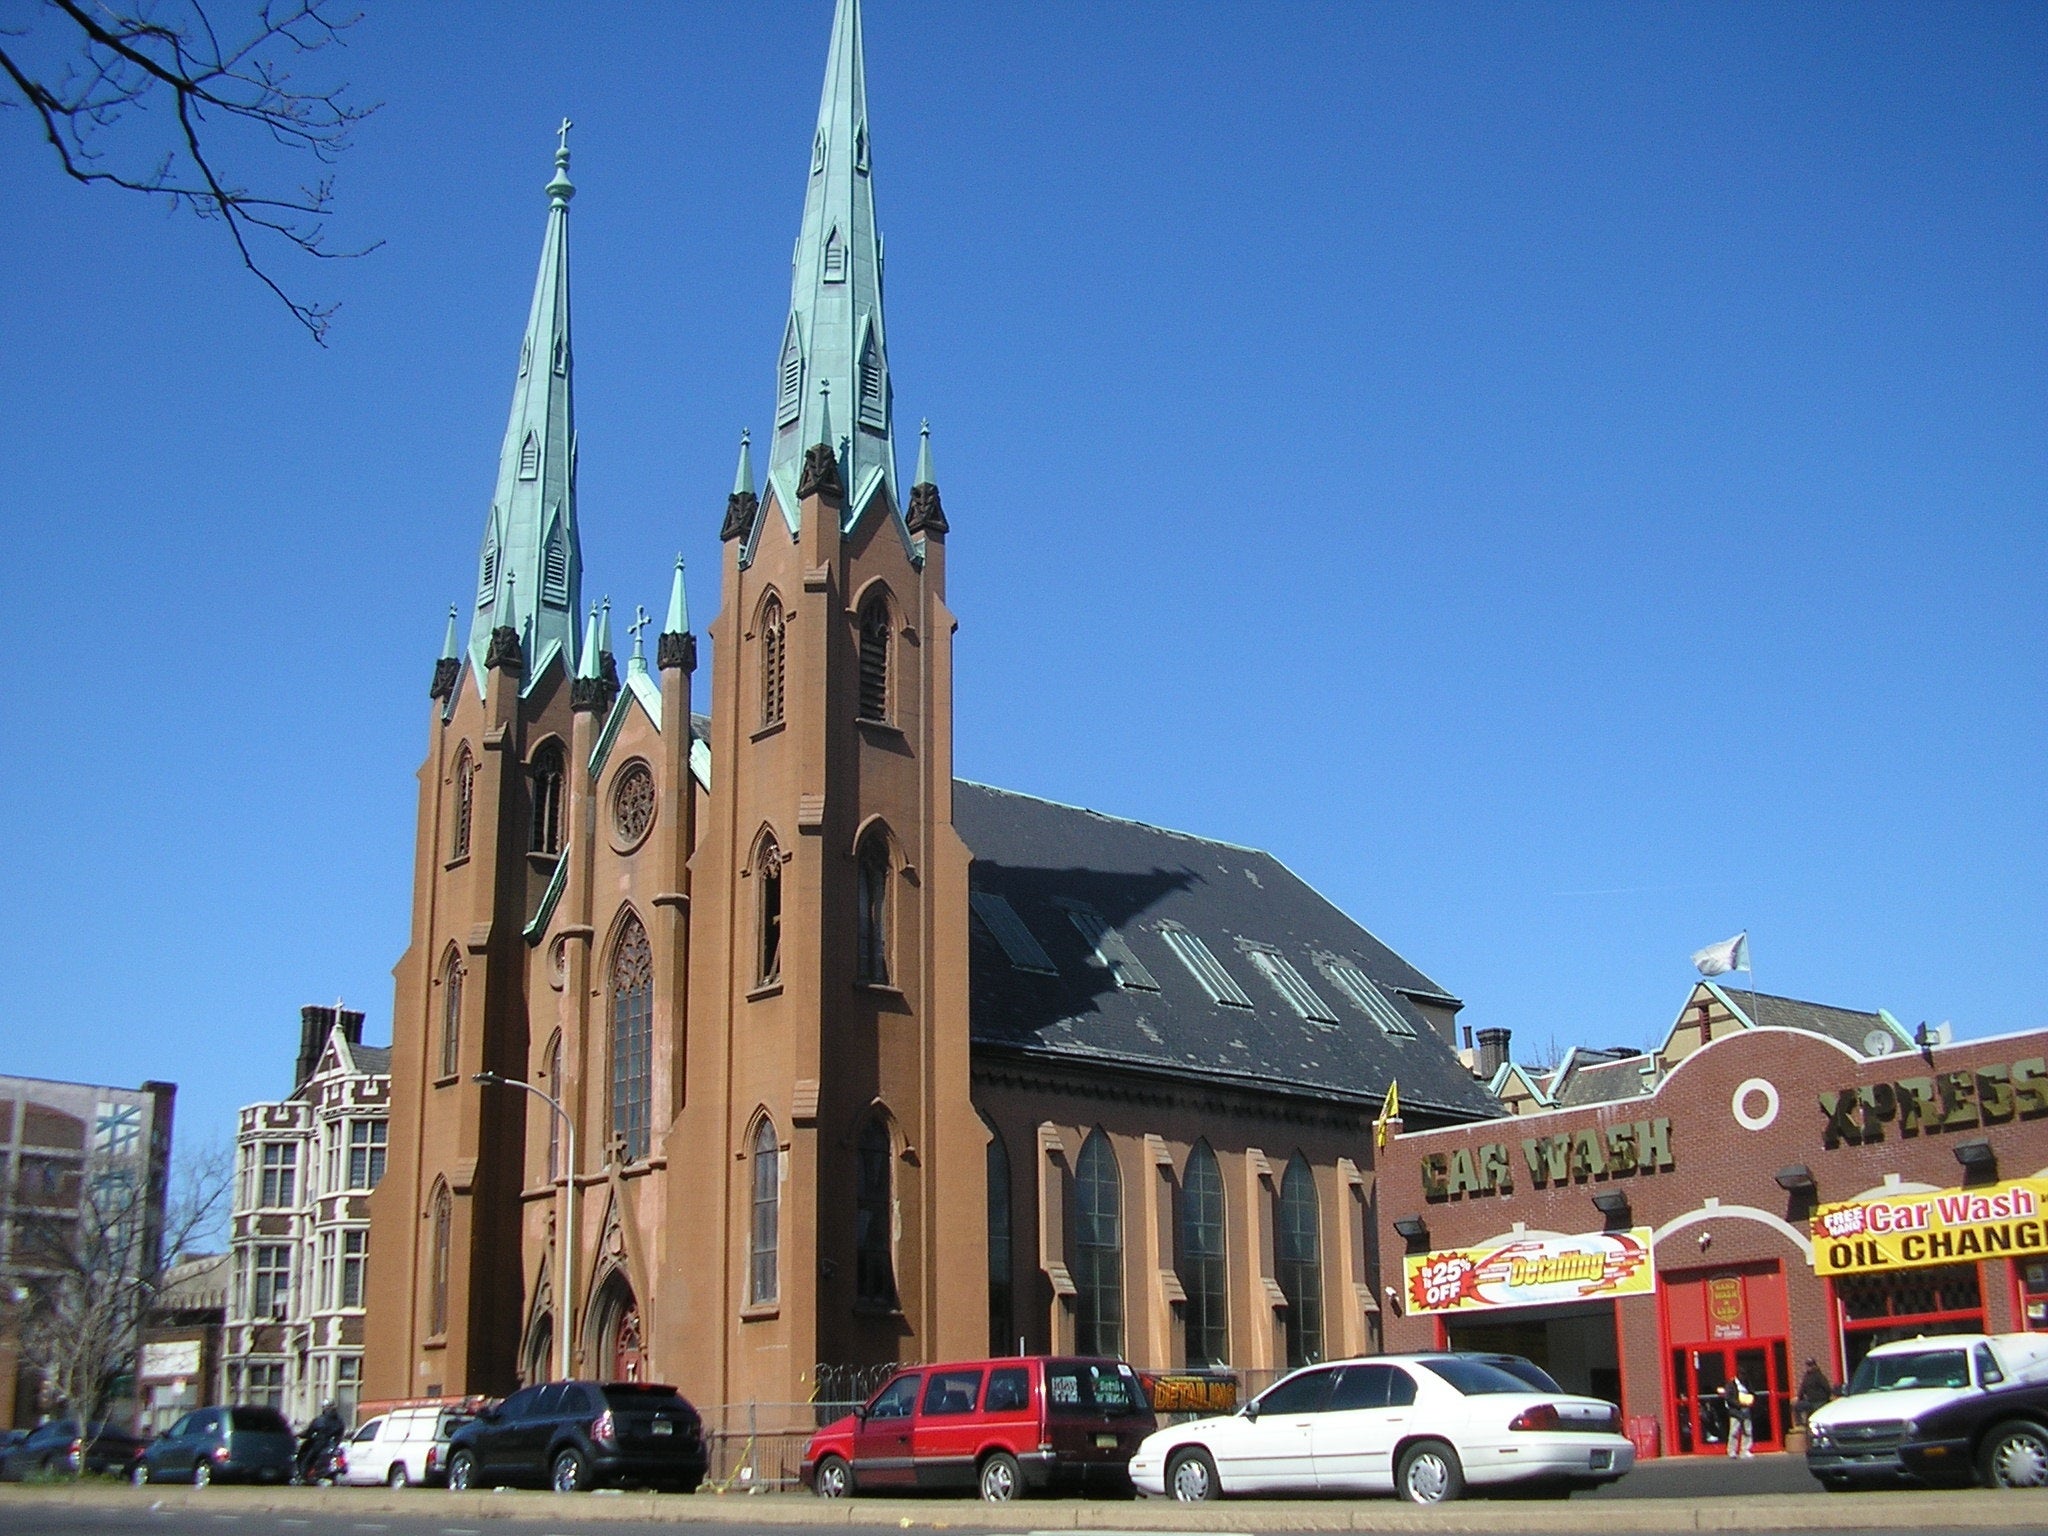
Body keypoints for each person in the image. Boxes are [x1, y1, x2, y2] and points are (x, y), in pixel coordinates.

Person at [296, 1400, 347, 1483]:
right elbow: (341, 1432)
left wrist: (299, 1435)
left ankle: (304, 1475)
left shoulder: (321, 1420)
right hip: (334, 1444)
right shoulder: (339, 1420)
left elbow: (309, 1432)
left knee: (308, 1457)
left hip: (321, 1443)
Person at [1720, 1375, 1755, 1457]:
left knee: (1747, 1430)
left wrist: (1750, 1399)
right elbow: (1728, 1398)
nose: (1743, 1378)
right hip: (1735, 1411)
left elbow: (1752, 1392)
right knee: (1734, 1431)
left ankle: (1745, 1450)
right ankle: (1732, 1451)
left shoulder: (1747, 1383)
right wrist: (1738, 1404)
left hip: (1746, 1409)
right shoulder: (1731, 1384)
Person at [1796, 1358, 1832, 1427]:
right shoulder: (1806, 1377)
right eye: (1808, 1365)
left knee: (1813, 1414)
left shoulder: (1819, 1376)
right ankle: (1800, 1425)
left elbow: (1827, 1388)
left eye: (1811, 1365)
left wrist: (1826, 1399)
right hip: (1810, 1401)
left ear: (1815, 1365)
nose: (1809, 1367)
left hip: (1820, 1401)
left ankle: (1808, 1425)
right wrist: (1799, 1398)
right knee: (1797, 1406)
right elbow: (1802, 1389)